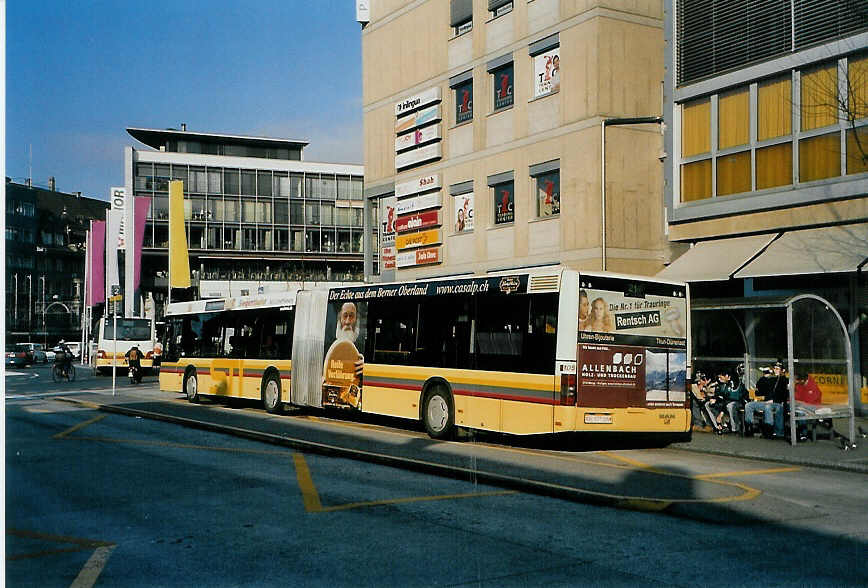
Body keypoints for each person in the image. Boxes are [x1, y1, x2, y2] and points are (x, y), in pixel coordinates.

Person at [744, 362, 789, 437]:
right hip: (767, 402)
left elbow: (785, 395)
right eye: (774, 368)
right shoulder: (771, 379)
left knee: (767, 407)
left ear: (782, 370)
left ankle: (769, 429)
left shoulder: (785, 380)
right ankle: (750, 427)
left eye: (777, 369)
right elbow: (760, 391)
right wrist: (764, 377)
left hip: (778, 403)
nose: (775, 370)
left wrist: (773, 400)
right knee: (749, 405)